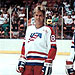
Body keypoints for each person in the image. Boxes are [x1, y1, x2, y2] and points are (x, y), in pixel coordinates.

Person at [16, 5, 57, 75]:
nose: (38, 18)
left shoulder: (48, 30)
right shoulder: (29, 29)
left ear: (44, 16)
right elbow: (24, 46)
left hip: (41, 64)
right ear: (34, 16)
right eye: (36, 15)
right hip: (28, 64)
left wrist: (48, 62)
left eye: (40, 15)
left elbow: (53, 47)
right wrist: (22, 59)